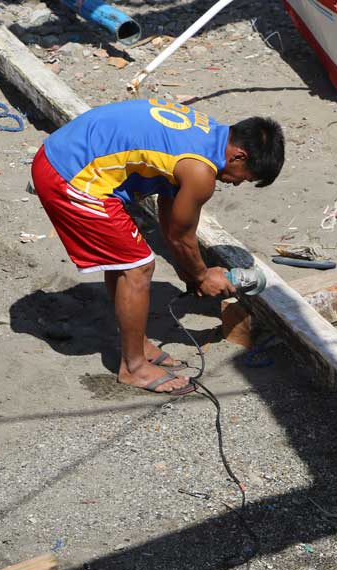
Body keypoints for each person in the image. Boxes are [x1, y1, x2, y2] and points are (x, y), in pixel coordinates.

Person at [31, 98, 284, 395]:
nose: (239, 184)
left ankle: (136, 345)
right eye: (246, 177)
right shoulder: (201, 172)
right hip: (69, 175)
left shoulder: (208, 134)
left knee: (126, 258)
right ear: (239, 157)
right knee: (138, 267)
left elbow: (171, 213)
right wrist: (202, 276)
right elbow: (179, 236)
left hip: (62, 153)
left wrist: (190, 273)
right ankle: (133, 367)